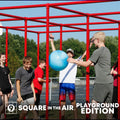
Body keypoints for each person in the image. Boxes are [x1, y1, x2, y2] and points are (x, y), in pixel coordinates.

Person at [67, 32, 113, 119]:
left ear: (98, 40)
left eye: (93, 40)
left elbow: (86, 64)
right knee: (107, 107)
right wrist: (79, 62)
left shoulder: (98, 51)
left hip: (101, 82)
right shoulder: (107, 50)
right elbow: (97, 64)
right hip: (109, 82)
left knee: (94, 106)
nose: (93, 42)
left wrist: (73, 61)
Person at [50, 33, 78, 119]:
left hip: (70, 83)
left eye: (70, 53)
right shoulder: (62, 61)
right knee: (62, 101)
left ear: (72, 55)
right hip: (62, 83)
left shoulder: (75, 61)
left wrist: (90, 45)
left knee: (73, 101)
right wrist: (51, 41)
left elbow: (84, 55)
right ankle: (62, 116)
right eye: (68, 53)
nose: (69, 54)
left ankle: (76, 116)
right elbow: (55, 53)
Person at [0, 53, 14, 119]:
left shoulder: (6, 68)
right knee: (5, 104)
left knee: (5, 107)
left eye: (5, 57)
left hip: (8, 88)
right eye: (3, 57)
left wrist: (12, 88)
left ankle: (2, 117)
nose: (4, 59)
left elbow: (9, 78)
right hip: (2, 88)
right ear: (0, 58)